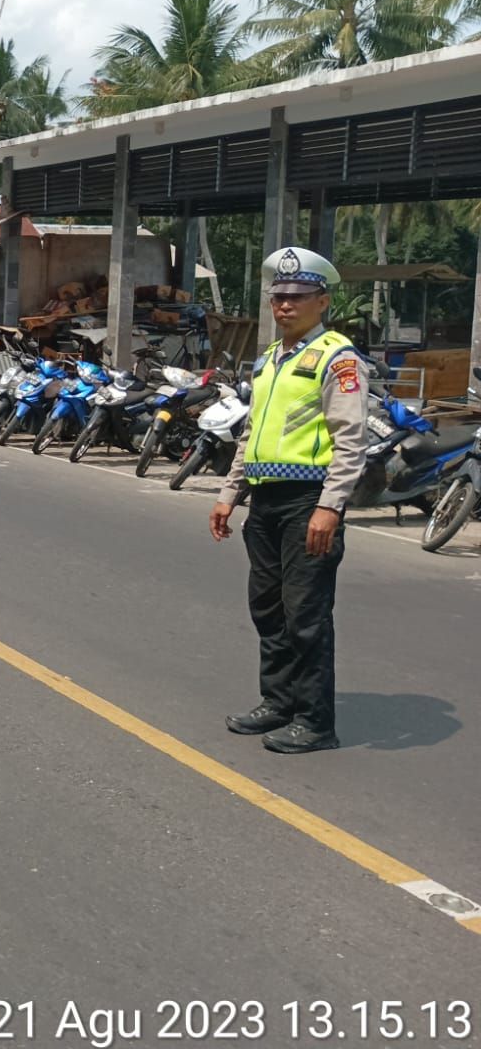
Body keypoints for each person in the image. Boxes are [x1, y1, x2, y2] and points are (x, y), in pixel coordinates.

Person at [210, 246, 367, 754]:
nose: (284, 305)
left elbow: (351, 440)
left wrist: (330, 506)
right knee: (269, 610)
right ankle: (276, 702)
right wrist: (229, 494)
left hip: (308, 501)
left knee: (306, 615)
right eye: (278, 296)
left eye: (297, 296)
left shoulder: (337, 358)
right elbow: (252, 433)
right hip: (266, 502)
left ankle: (315, 721)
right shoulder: (270, 361)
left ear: (322, 301)